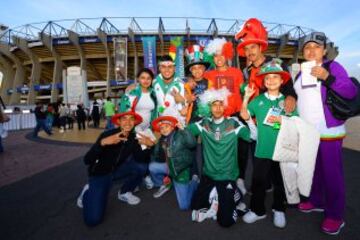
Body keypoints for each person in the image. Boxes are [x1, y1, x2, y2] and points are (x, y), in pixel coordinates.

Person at [295, 32, 358, 235]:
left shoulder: (332, 67)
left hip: (329, 131)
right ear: (303, 52)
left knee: (332, 174)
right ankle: (316, 200)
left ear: (324, 50)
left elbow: (350, 91)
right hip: (308, 132)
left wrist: (328, 78)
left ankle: (335, 215)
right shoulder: (299, 73)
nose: (311, 50)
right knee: (314, 170)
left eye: (316, 47)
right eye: (307, 48)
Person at [235, 18, 298, 195]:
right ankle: (262, 187)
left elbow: (288, 85)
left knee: (275, 161)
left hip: (271, 119)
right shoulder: (246, 70)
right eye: (246, 49)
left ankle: (279, 197)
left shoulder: (275, 63)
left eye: (252, 47)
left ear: (261, 47)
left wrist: (291, 96)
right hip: (253, 118)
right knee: (257, 157)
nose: (249, 52)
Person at [240, 58, 297, 229]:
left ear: (282, 80)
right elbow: (244, 114)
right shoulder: (258, 101)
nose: (271, 80)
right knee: (259, 182)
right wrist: (246, 97)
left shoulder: (288, 102)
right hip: (262, 150)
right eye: (267, 78)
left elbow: (297, 123)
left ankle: (279, 209)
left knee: (280, 182)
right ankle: (258, 210)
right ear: (263, 82)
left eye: (275, 77)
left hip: (282, 151)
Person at [187, 88, 256, 227]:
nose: (217, 108)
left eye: (220, 104)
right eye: (214, 104)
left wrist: (248, 120)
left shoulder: (233, 122)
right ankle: (217, 196)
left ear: (224, 106)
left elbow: (253, 137)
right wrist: (186, 109)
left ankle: (237, 194)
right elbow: (185, 132)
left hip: (227, 176)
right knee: (194, 205)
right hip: (209, 175)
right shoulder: (204, 123)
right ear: (208, 107)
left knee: (225, 221)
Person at [76, 110, 154, 227]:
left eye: (131, 119)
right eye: (124, 119)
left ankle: (124, 192)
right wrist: (102, 143)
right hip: (100, 174)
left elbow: (140, 158)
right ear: (118, 121)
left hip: (116, 170)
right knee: (93, 220)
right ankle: (87, 192)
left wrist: (149, 146)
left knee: (141, 167)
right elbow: (87, 160)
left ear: (135, 122)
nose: (128, 122)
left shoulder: (134, 138)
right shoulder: (107, 134)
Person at [149, 108, 198, 209]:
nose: (164, 129)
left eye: (166, 126)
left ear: (172, 127)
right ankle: (165, 184)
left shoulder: (180, 134)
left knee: (184, 206)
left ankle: (194, 181)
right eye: (161, 128)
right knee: (152, 166)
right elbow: (156, 155)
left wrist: (184, 130)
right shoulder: (162, 140)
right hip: (169, 167)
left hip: (181, 171)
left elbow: (192, 144)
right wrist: (151, 145)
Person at [119, 68, 158, 189]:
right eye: (143, 78)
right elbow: (123, 110)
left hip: (148, 128)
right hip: (135, 128)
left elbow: (156, 110)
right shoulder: (132, 92)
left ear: (152, 80)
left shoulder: (153, 93)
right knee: (138, 155)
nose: (145, 80)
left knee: (146, 153)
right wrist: (126, 128)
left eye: (148, 78)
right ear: (138, 79)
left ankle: (142, 176)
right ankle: (136, 179)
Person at [152, 55, 187, 125]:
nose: (167, 70)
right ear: (159, 68)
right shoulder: (154, 82)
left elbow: (184, 108)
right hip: (161, 124)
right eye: (163, 67)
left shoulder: (181, 85)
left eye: (170, 67)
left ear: (174, 68)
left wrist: (183, 101)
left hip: (176, 124)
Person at [184, 44, 211, 123]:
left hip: (207, 118)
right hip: (191, 117)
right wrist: (188, 100)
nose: (197, 70)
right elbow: (181, 101)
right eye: (194, 68)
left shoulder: (210, 83)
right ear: (190, 70)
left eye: (200, 67)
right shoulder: (186, 84)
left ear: (204, 69)